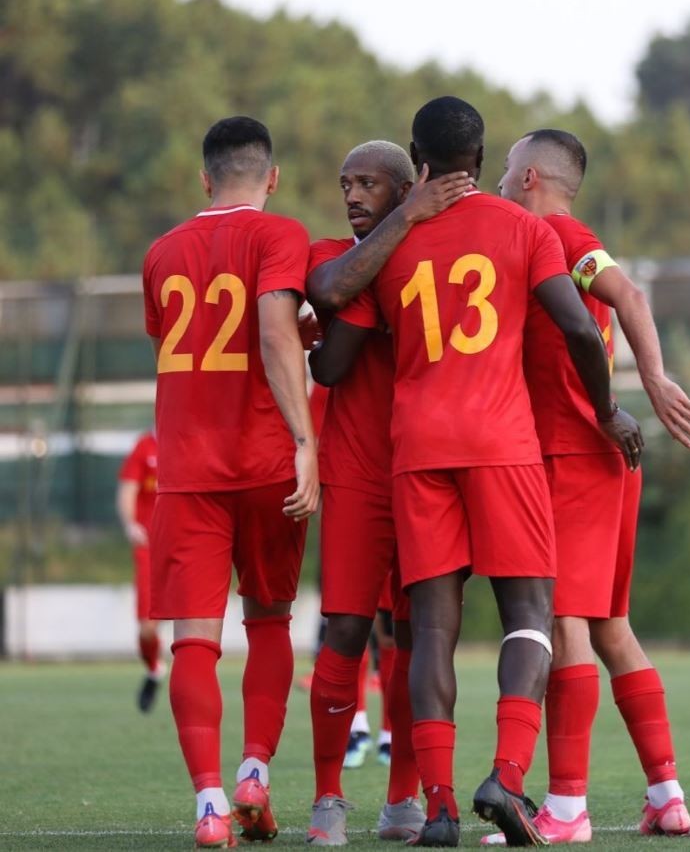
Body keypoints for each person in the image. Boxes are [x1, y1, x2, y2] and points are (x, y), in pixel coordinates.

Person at [310, 97, 642, 848]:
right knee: (530, 612)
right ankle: (508, 776)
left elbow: (330, 358)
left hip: (417, 449)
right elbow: (579, 326)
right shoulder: (523, 228)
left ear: (416, 161)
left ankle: (437, 806)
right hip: (502, 443)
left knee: (430, 627)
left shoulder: (393, 240)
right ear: (483, 159)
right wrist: (606, 408)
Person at [482, 128, 690, 843]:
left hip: (572, 455)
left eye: (507, 168)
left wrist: (654, 379)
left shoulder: (555, 231)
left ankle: (567, 809)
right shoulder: (540, 240)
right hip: (599, 459)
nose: (498, 179)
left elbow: (628, 293)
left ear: (529, 177)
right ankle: (666, 795)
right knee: (611, 628)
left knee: (563, 623)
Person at [142, 115, 319, 849]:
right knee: (269, 620)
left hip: (188, 469)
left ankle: (211, 805)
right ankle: (254, 772)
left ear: (204, 178)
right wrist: (306, 440)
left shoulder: (160, 253)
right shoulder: (281, 235)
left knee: (193, 641)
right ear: (271, 177)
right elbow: (273, 332)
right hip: (266, 462)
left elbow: (178, 340)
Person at [305, 139, 472, 845]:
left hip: (426, 467)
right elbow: (328, 344)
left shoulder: (432, 262)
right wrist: (404, 220)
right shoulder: (329, 254)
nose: (352, 194)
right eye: (346, 182)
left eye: (368, 183)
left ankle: (404, 798)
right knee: (345, 628)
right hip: (354, 469)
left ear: (407, 186)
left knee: (415, 635)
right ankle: (328, 796)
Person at [116, 429, 165, 712]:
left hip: (186, 545)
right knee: (147, 628)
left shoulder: (191, 440)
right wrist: (130, 524)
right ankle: (154, 668)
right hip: (149, 547)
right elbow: (127, 490)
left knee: (196, 623)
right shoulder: (144, 448)